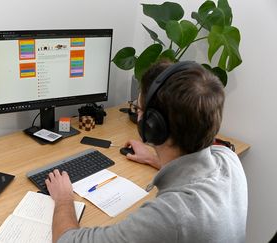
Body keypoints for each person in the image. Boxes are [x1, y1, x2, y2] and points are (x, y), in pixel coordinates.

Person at [45, 60, 248, 243]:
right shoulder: (228, 159)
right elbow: (193, 172)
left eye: (138, 108)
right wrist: (153, 157)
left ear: (152, 126)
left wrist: (64, 198)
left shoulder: (170, 216)